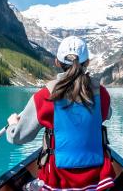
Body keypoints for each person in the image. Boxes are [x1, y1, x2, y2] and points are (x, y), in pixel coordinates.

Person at [6, 36, 115, 190]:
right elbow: (107, 114)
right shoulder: (101, 93)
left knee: (24, 187)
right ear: (87, 63)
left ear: (57, 62)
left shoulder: (45, 96)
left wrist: (13, 125)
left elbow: (19, 137)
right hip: (97, 181)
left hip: (56, 181)